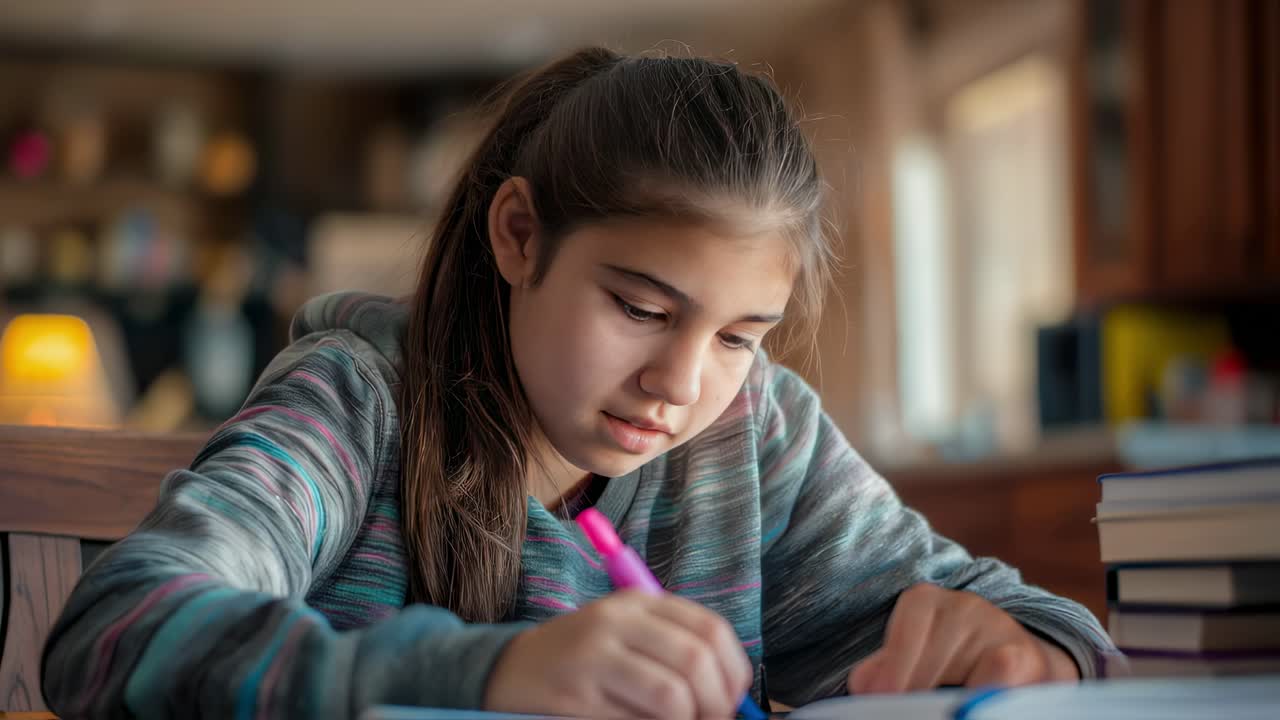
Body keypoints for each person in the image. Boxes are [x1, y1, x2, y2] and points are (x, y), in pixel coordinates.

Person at [42, 47, 1115, 720]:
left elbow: (1041, 626)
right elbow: (122, 630)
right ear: (518, 236)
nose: (678, 382)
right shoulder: (356, 405)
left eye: (741, 333)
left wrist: (1033, 656)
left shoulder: (755, 433)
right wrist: (483, 677)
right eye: (640, 309)